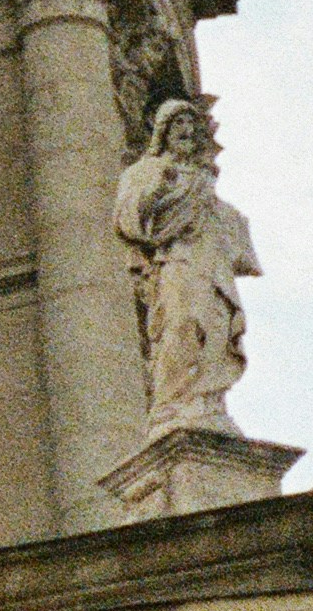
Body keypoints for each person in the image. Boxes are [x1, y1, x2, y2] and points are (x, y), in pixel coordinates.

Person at [108, 91, 257, 436]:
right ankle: (174, 402)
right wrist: (159, 190)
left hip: (209, 261)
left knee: (215, 327)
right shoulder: (146, 171)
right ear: (163, 131)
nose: (186, 130)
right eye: (179, 124)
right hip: (175, 259)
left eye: (191, 124)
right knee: (182, 323)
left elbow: (221, 222)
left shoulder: (203, 179)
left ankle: (207, 401)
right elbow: (127, 218)